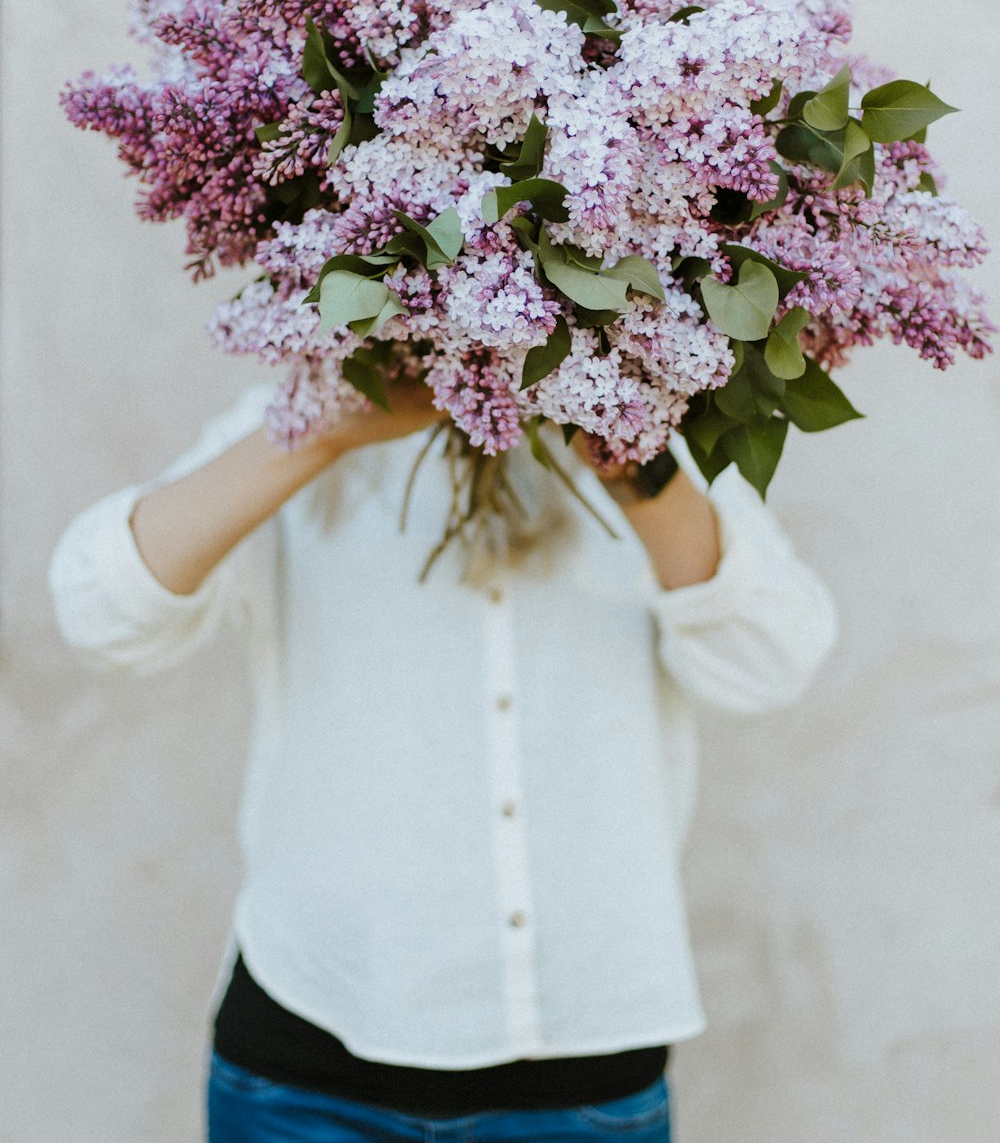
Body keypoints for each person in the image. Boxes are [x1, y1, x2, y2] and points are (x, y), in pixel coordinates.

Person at [47, 374, 839, 1143]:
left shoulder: (644, 426)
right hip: (305, 1075)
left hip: (584, 1082)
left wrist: (633, 450)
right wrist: (325, 425)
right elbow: (102, 613)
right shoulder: (303, 416)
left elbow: (771, 662)